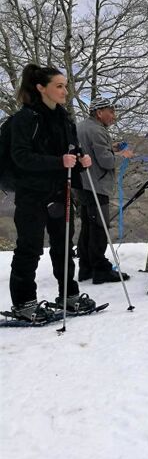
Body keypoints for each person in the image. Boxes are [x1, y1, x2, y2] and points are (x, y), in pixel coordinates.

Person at [6, 64, 96, 322]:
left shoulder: (64, 118)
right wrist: (60, 162)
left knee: (64, 247)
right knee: (30, 248)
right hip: (32, 194)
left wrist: (81, 159)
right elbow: (20, 157)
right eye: (59, 86)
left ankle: (69, 295)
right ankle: (24, 304)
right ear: (40, 88)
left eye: (65, 86)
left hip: (60, 191)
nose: (65, 91)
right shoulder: (25, 119)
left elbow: (72, 151)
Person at [76, 99, 133, 283]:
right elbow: (106, 162)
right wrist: (121, 155)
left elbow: (92, 151)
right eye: (111, 112)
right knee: (99, 227)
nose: (113, 116)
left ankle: (86, 267)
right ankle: (100, 269)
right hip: (96, 184)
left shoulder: (81, 127)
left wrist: (111, 148)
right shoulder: (98, 130)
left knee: (87, 225)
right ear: (99, 112)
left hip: (81, 183)